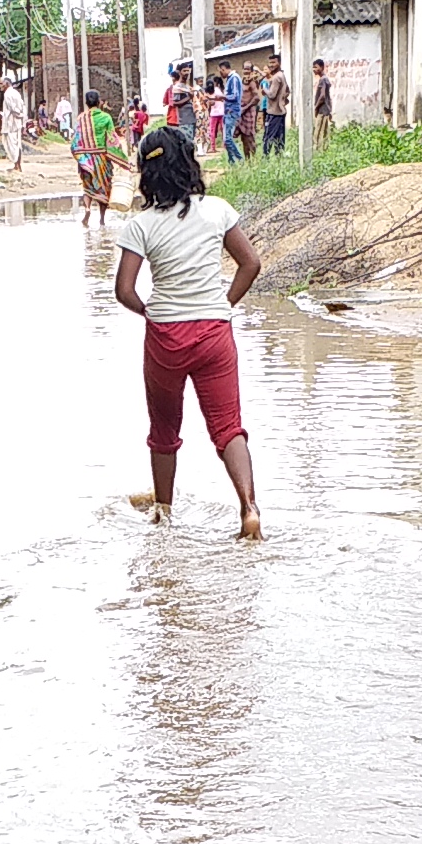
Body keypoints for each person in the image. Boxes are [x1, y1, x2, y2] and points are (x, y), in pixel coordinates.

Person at [112, 123, 265, 540]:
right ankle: (249, 508)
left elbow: (123, 290)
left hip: (166, 336)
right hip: (215, 333)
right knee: (228, 427)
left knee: (164, 430)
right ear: (189, 164)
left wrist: (149, 312)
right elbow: (250, 263)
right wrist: (222, 305)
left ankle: (163, 515)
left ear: (148, 172)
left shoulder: (141, 225)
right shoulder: (217, 209)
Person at [73, 90, 126, 229]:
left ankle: (87, 209)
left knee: (87, 187)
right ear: (99, 101)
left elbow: (76, 141)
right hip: (101, 159)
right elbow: (112, 139)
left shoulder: (80, 118)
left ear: (86, 103)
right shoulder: (106, 117)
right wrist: (122, 158)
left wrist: (81, 156)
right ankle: (102, 220)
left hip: (85, 160)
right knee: (104, 188)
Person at [0, 75, 29, 171]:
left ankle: (17, 165)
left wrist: (19, 115)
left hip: (11, 123)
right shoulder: (16, 93)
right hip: (16, 122)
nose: (0, 86)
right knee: (17, 143)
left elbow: (13, 108)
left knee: (12, 144)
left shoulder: (7, 94)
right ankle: (17, 165)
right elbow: (22, 106)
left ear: (6, 84)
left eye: (1, 83)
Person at [258, 60, 287, 155]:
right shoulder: (281, 75)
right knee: (279, 137)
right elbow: (287, 92)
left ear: (279, 63)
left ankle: (265, 157)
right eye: (270, 63)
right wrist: (282, 101)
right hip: (280, 111)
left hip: (274, 112)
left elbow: (271, 95)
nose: (271, 65)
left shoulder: (276, 78)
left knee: (268, 136)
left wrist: (264, 90)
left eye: (273, 62)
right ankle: (279, 157)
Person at [310, 57, 334, 147]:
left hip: (322, 110)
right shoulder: (325, 79)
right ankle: (323, 150)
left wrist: (316, 107)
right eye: (313, 67)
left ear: (322, 67)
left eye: (316, 67)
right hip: (326, 110)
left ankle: (319, 150)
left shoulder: (323, 80)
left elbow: (323, 96)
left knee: (318, 132)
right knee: (324, 132)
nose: (314, 70)